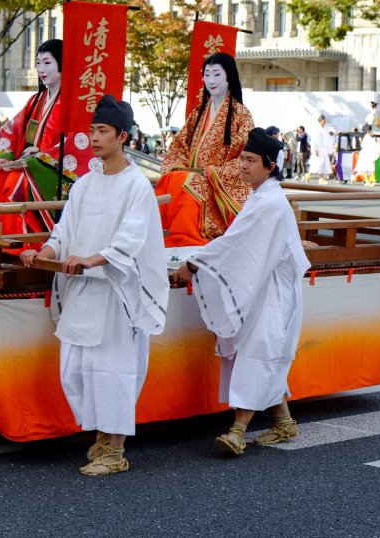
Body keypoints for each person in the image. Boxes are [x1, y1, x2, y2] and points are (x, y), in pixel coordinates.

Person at [20, 95, 168, 476]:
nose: (95, 138)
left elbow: (132, 238)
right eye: (93, 131)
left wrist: (94, 258)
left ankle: (116, 451)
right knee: (76, 368)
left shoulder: (137, 186)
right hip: (84, 290)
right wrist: (44, 251)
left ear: (122, 137)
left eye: (103, 131)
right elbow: (64, 230)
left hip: (116, 292)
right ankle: (102, 436)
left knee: (113, 371)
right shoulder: (84, 184)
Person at [174, 128, 310, 456]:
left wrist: (193, 264)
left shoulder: (270, 203)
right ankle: (283, 422)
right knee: (261, 356)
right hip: (261, 287)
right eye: (243, 159)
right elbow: (238, 245)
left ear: (270, 166)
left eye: (251, 160)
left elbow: (234, 245)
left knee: (256, 355)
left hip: (272, 294)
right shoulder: (261, 197)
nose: (243, 166)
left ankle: (238, 431)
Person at [0, 39, 92, 235]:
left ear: (63, 64)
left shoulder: (76, 102)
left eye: (47, 62)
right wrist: (5, 157)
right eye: (38, 63)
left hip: (54, 171)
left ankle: (15, 238)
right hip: (27, 165)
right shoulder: (36, 100)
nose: (41, 69)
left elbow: (77, 142)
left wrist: (38, 158)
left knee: (15, 181)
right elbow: (13, 130)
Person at [155, 52, 255, 247]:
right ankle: (167, 237)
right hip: (193, 177)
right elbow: (179, 146)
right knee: (172, 178)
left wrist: (213, 172)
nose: (211, 80)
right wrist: (179, 167)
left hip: (218, 186)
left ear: (229, 76)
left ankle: (187, 240)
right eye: (207, 75)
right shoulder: (198, 112)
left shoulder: (241, 115)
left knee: (184, 183)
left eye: (216, 74)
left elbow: (246, 158)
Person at [306, 114, 334, 184]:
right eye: (323, 121)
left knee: (323, 163)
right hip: (318, 149)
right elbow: (314, 141)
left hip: (323, 149)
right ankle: (312, 176)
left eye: (325, 121)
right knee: (318, 163)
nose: (325, 122)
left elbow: (328, 137)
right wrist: (315, 149)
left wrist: (333, 134)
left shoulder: (324, 129)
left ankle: (319, 178)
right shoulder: (316, 129)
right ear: (320, 121)